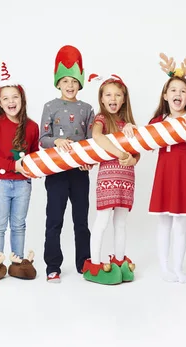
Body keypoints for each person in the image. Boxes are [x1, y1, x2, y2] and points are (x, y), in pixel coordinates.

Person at [40, 45, 95, 283]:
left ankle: (84, 263)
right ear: (58, 83)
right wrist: (56, 140)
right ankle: (53, 266)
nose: (70, 85)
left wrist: (89, 162)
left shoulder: (87, 109)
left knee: (81, 220)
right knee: (54, 219)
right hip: (56, 172)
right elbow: (42, 139)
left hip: (79, 173)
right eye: (65, 81)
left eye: (74, 81)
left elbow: (93, 142)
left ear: (80, 83)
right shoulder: (50, 107)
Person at [148, 54, 186, 283]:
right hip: (164, 175)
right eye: (173, 90)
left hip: (184, 176)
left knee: (181, 223)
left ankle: (179, 268)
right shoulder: (159, 121)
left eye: (182, 91)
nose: (177, 94)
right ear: (165, 95)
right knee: (164, 222)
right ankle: (165, 268)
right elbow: (146, 141)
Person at [0, 62, 39, 282]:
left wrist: (36, 169)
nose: (11, 102)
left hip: (23, 183)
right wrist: (11, 165)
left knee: (19, 224)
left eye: (15, 97)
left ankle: (18, 262)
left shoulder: (31, 127)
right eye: (6, 98)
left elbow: (34, 154)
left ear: (22, 99)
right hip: (0, 182)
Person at [82, 74, 139, 285]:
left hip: (126, 178)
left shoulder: (128, 124)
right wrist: (120, 153)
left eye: (117, 95)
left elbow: (137, 152)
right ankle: (96, 264)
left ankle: (119, 260)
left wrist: (131, 158)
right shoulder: (101, 119)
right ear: (102, 98)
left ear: (124, 98)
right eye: (108, 95)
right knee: (102, 221)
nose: (112, 98)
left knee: (121, 223)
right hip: (107, 178)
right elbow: (97, 137)